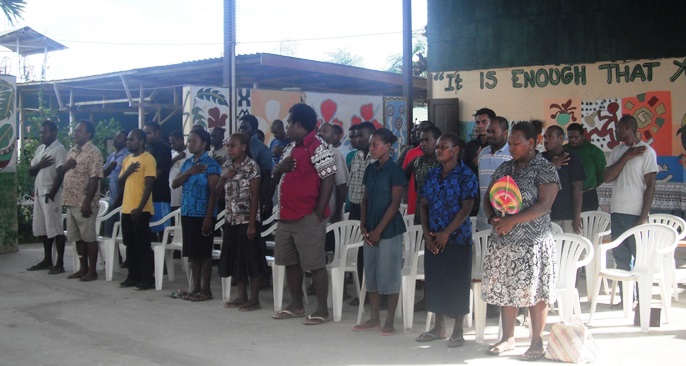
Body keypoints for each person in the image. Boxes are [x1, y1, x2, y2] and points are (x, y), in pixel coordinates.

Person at [481, 121, 560, 360]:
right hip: (504, 241)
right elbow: (488, 196)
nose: (512, 148)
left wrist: (512, 221)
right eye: (510, 144)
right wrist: (494, 217)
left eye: (516, 143)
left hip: (532, 243)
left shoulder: (544, 168)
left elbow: (544, 205)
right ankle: (508, 338)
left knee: (535, 293)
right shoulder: (505, 169)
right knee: (506, 289)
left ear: (532, 142)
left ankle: (537, 341)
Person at [270, 103, 336, 325]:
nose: (286, 126)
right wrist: (280, 168)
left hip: (307, 216)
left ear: (298, 124)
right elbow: (275, 172)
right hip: (286, 216)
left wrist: (317, 214)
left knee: (315, 265)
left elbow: (329, 179)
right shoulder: (290, 147)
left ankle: (321, 309)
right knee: (290, 263)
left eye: (288, 122)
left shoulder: (318, 147)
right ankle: (296, 305)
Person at [416, 132, 477, 347]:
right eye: (438, 147)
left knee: (458, 282)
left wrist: (447, 232)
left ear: (456, 150)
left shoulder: (466, 175)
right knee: (435, 281)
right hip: (433, 237)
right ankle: (439, 327)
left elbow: (466, 207)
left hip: (458, 238)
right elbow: (423, 204)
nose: (438, 150)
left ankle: (458, 330)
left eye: (444, 147)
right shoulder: (432, 175)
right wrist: (426, 232)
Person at [353, 128, 407, 336]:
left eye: (375, 144)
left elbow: (394, 204)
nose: (371, 148)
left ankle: (390, 320)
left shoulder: (395, 171)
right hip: (371, 227)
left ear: (388, 147)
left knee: (390, 274)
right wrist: (364, 224)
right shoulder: (371, 169)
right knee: (372, 272)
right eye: (370, 144)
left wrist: (378, 230)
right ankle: (374, 317)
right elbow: (365, 199)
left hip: (389, 230)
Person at [603, 115, 658, 305]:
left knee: (639, 258)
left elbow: (650, 185)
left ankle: (643, 300)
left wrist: (644, 216)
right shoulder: (618, 151)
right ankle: (626, 299)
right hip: (617, 211)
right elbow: (608, 177)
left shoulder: (647, 152)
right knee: (621, 257)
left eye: (618, 128)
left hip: (636, 214)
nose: (615, 132)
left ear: (628, 128)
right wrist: (626, 156)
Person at [218, 132, 268, 311]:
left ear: (244, 147)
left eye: (233, 146)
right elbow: (217, 192)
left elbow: (255, 198)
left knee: (250, 259)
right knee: (234, 258)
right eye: (228, 146)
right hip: (230, 219)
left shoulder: (252, 167)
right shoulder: (227, 165)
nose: (229, 149)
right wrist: (224, 176)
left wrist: (252, 224)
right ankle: (241, 296)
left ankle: (254, 299)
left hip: (247, 220)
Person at [48, 120, 103, 282]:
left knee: (89, 237)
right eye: (75, 130)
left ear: (88, 134)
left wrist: (87, 201)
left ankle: (92, 270)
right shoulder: (72, 151)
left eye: (79, 131)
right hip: (70, 201)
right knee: (77, 238)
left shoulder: (94, 153)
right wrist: (64, 167)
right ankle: (82, 268)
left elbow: (94, 178)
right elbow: (62, 173)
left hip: (83, 202)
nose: (75, 133)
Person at [171, 129, 221, 301]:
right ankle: (195, 288)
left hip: (203, 214)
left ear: (204, 144)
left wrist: (208, 217)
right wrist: (188, 173)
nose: (189, 144)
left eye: (193, 141)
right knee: (193, 254)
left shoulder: (211, 165)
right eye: (189, 141)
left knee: (204, 254)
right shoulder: (188, 164)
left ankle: (206, 290)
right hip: (187, 213)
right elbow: (175, 184)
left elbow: (214, 194)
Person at [116, 129, 156, 290]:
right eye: (127, 140)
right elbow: (119, 182)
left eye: (131, 140)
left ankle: (147, 279)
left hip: (141, 209)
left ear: (141, 141)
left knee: (142, 245)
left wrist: (140, 208)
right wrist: (128, 172)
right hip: (126, 209)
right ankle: (133, 276)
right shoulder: (127, 160)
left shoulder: (148, 159)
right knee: (129, 245)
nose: (128, 142)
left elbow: (149, 186)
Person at [26, 120, 68, 274]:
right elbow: (31, 171)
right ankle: (47, 259)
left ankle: (60, 263)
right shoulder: (40, 149)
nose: (42, 135)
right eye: (41, 132)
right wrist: (40, 165)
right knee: (44, 228)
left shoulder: (59, 150)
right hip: (39, 192)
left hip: (51, 194)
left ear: (54, 133)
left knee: (56, 229)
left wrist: (52, 194)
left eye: (45, 132)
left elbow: (61, 172)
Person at [347, 121, 376, 305]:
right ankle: (363, 292)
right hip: (356, 208)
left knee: (372, 252)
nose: (358, 139)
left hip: (372, 209)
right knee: (358, 252)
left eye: (362, 135)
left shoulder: (377, 157)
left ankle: (375, 293)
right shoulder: (356, 156)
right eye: (356, 135)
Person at [542, 124, 585, 233]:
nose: (546, 141)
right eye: (545, 137)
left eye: (550, 137)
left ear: (561, 138)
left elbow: (577, 189)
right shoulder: (540, 158)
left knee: (567, 248)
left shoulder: (572, 158)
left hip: (566, 215)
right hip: (543, 215)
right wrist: (552, 166)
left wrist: (576, 217)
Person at [476, 116, 512, 230]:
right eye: (488, 131)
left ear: (505, 133)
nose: (489, 135)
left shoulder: (512, 154)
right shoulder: (483, 153)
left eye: (493, 132)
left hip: (503, 222)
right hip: (482, 219)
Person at [404, 125, 441, 225]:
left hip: (440, 215)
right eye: (421, 141)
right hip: (420, 214)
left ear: (438, 141)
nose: (423, 144)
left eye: (427, 140)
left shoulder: (444, 163)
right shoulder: (417, 162)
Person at [238, 114, 273, 218]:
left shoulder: (262, 149)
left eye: (245, 128)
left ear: (254, 129)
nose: (241, 131)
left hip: (254, 198)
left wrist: (261, 200)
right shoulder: (238, 147)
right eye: (240, 128)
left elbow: (266, 177)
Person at [565, 123, 607, 211]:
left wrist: (589, 186)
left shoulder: (594, 151)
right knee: (568, 223)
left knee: (588, 223)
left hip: (588, 195)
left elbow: (602, 175)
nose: (572, 140)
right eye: (570, 137)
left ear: (582, 136)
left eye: (575, 137)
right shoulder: (563, 150)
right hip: (568, 195)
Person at [463, 108, 494, 216]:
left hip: (493, 195)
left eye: (484, 122)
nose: (480, 125)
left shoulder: (496, 146)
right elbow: (464, 171)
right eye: (477, 122)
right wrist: (475, 164)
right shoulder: (470, 146)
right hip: (474, 196)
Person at [143, 121, 172, 239]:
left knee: (163, 231)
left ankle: (167, 256)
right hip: (148, 196)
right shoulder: (147, 148)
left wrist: (143, 182)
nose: (145, 136)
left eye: (148, 133)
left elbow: (158, 171)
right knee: (149, 230)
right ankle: (153, 257)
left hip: (160, 195)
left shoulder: (163, 148)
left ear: (157, 133)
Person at [318, 123, 349, 224]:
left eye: (325, 131)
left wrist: (337, 213)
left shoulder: (335, 155)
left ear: (333, 137)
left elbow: (342, 186)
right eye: (319, 131)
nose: (320, 133)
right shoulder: (312, 153)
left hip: (330, 212)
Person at [402, 120, 434, 216]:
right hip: (414, 205)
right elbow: (403, 177)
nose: (419, 133)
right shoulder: (411, 153)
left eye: (423, 130)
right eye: (418, 130)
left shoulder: (440, 156)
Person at [103, 130, 129, 238]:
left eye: (118, 137)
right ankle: (116, 255)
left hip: (123, 200)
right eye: (115, 136)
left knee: (123, 232)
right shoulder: (112, 156)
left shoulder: (127, 156)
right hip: (113, 200)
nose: (115, 139)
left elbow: (127, 179)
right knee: (109, 231)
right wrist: (110, 167)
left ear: (125, 141)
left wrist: (120, 199)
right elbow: (103, 173)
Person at [168, 130, 190, 212]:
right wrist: (177, 158)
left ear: (181, 140)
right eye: (170, 143)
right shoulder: (172, 153)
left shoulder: (190, 153)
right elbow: (165, 166)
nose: (172, 145)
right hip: (173, 194)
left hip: (184, 193)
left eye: (173, 143)